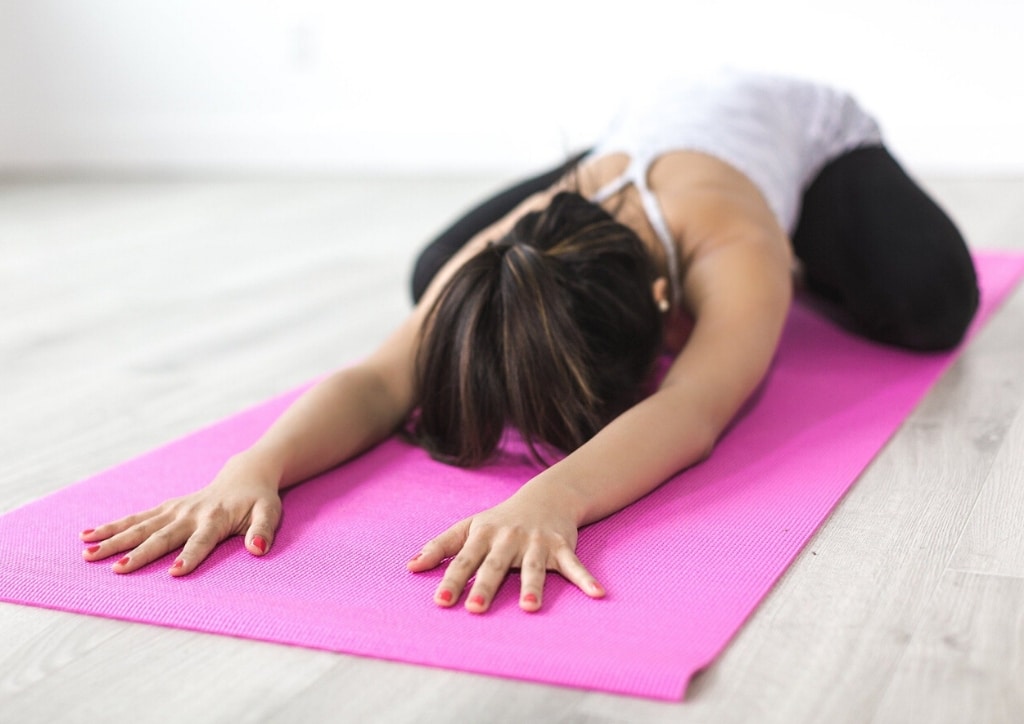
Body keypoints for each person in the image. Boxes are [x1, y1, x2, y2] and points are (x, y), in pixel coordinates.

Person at [79, 70, 979, 613]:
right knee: (443, 276)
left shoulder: (735, 248)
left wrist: (553, 498)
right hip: (634, 142)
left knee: (935, 304)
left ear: (672, 311)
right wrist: (253, 468)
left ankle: (818, 257)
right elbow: (377, 380)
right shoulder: (520, 237)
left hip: (803, 140)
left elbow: (696, 408)